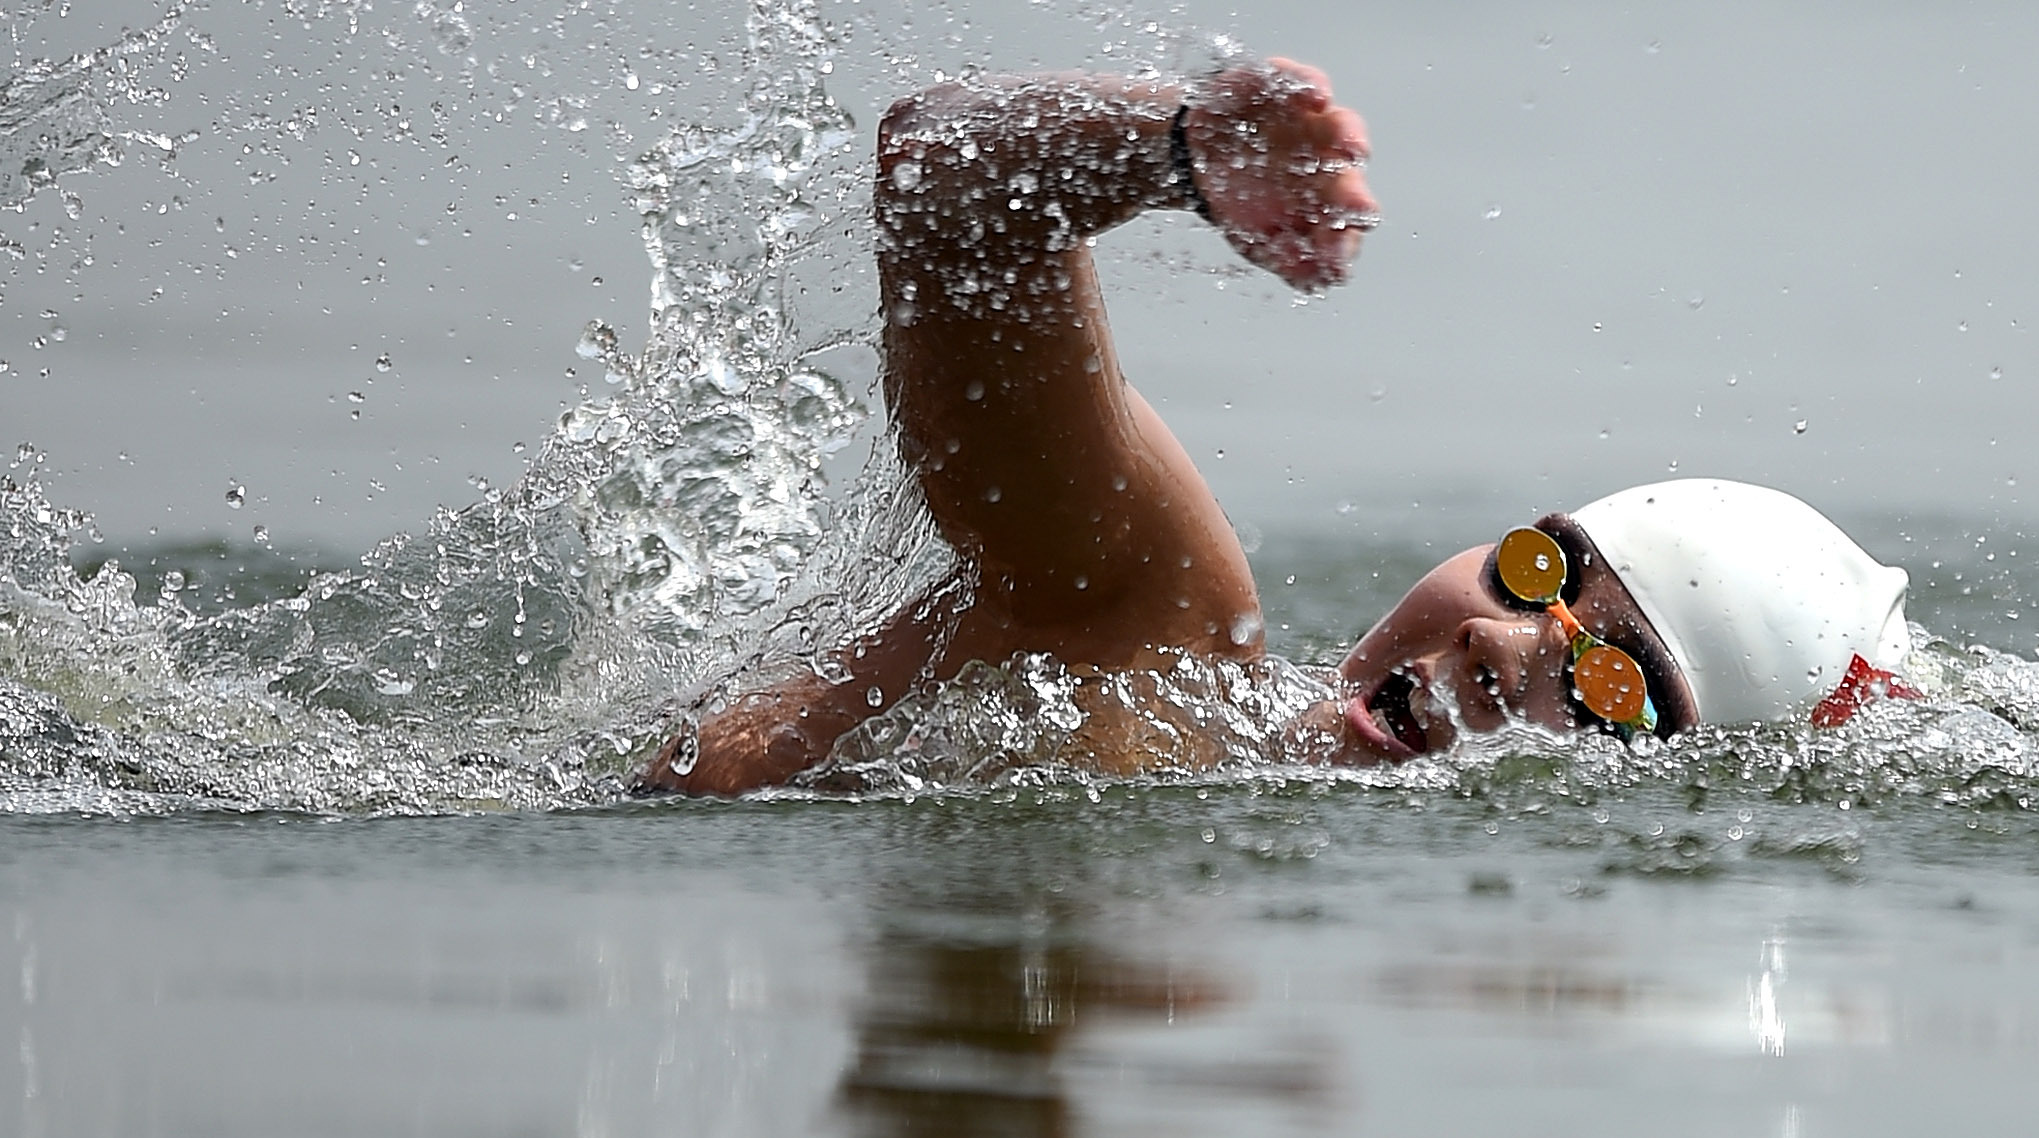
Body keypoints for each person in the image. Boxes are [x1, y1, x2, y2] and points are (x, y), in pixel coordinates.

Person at [640, 58, 1914, 796]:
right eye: (1543, 569)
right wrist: (1176, 149)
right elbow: (936, 179)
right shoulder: (1150, 623)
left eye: (1610, 676)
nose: (1492, 633)